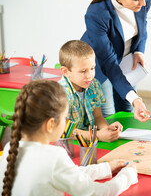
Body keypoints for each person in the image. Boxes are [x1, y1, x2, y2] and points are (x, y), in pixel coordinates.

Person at [0, 80, 138, 195]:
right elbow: (97, 193)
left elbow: (65, 172)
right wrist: (128, 176)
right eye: (65, 118)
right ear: (51, 124)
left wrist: (106, 168)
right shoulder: (54, 156)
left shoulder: (10, 148)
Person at [81, 0, 151, 122]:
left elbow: (143, 25)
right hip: (101, 65)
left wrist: (138, 50)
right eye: (137, 0)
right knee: (108, 117)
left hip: (127, 61)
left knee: (128, 109)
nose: (143, 3)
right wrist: (136, 98)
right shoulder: (97, 13)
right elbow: (108, 63)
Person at [58, 40, 123, 142]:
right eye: (83, 71)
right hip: (68, 144)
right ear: (66, 72)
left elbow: (97, 116)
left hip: (88, 141)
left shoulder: (94, 84)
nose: (90, 75)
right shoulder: (60, 93)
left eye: (92, 68)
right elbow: (64, 130)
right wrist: (96, 136)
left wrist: (107, 129)